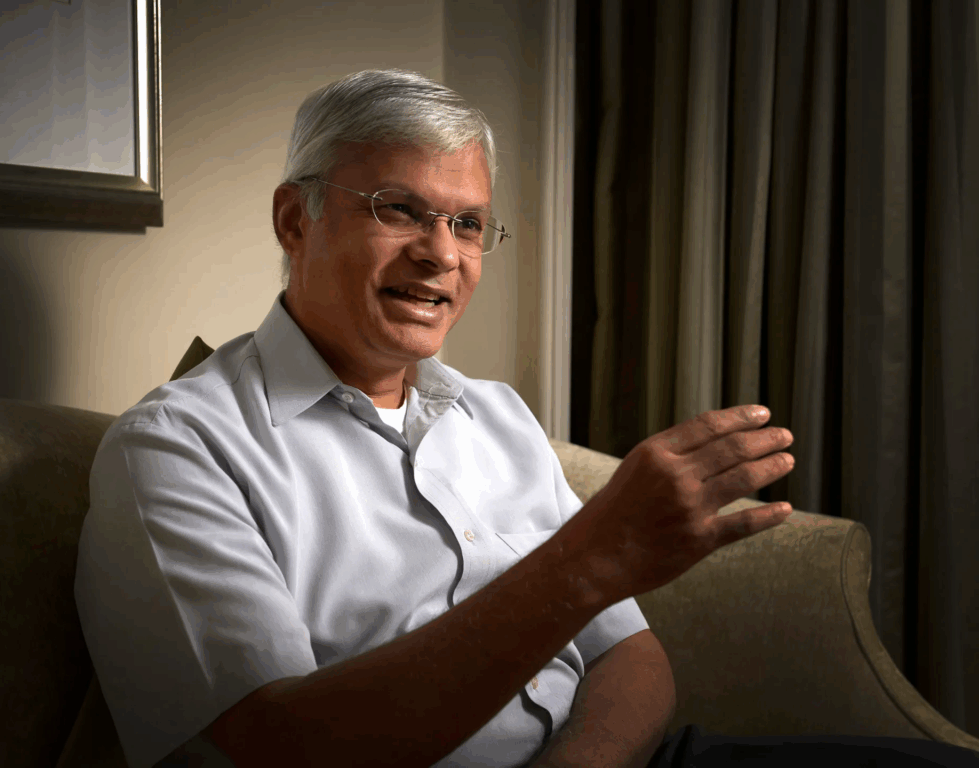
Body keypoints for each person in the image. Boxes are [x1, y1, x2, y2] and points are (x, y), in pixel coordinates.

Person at [74, 69, 979, 768]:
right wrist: (590, 559)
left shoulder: (495, 416)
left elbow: (632, 657)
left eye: (469, 225)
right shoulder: (178, 448)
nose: (441, 254)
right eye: (400, 210)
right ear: (294, 220)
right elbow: (283, 747)